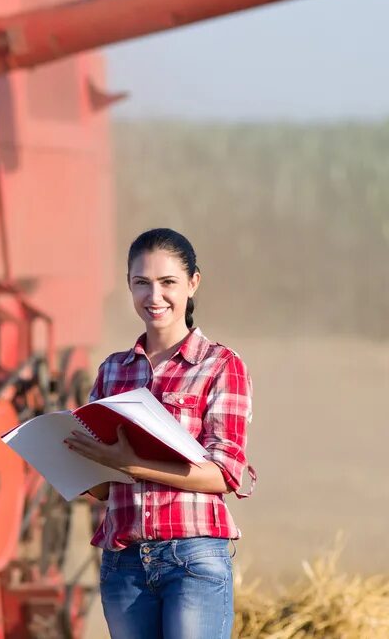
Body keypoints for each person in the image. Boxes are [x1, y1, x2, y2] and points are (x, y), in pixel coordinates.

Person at [65, 227, 255, 639]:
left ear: (193, 283)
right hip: (124, 564)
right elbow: (102, 489)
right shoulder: (113, 370)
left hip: (192, 558)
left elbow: (224, 474)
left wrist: (128, 463)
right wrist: (68, 459)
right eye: (141, 283)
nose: (154, 297)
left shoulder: (221, 366)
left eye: (168, 282)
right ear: (128, 286)